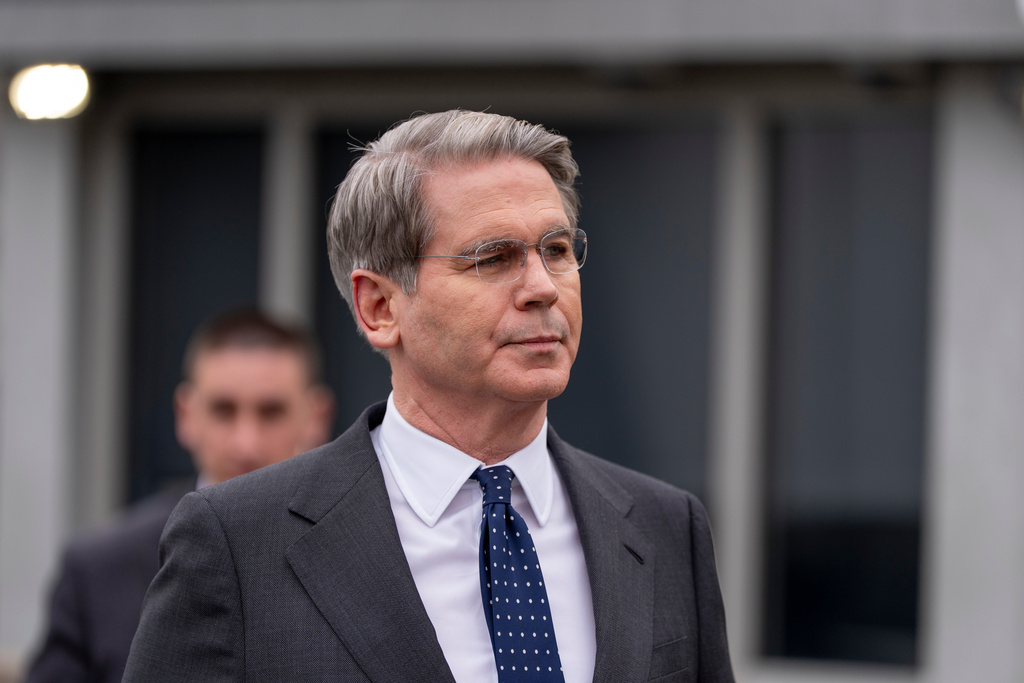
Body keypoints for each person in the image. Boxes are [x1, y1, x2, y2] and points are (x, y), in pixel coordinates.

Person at [123, 110, 735, 682]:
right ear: (379, 307)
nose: (543, 287)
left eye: (555, 250)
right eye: (493, 258)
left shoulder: (666, 528)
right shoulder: (235, 543)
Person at [24, 309, 334, 683]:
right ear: (185, 415)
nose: (246, 443)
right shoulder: (98, 570)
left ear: (316, 417)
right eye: (223, 410)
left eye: (271, 412)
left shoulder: (354, 554)